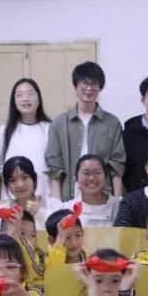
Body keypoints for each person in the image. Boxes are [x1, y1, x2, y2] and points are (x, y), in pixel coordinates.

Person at [46, 61, 126, 201]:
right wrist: (57, 203)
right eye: (84, 83)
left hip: (103, 194)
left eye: (94, 84)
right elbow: (55, 167)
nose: (89, 88)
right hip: (70, 195)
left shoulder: (112, 123)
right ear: (75, 86)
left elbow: (117, 165)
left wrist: (118, 200)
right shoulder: (58, 124)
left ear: (100, 87)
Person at [0, 78, 52, 200]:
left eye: (30, 94)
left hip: (43, 197)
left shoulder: (50, 128)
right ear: (14, 101)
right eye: (20, 95)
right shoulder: (4, 131)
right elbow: (1, 166)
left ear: (39, 99)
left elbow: (55, 167)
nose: (26, 99)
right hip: (13, 198)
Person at [0, 156, 62, 232]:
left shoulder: (53, 205)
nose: (20, 184)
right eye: (12, 180)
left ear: (34, 179)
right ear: (7, 185)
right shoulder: (3, 209)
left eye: (24, 177)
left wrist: (39, 213)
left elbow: (59, 232)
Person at [67, 154, 120, 227]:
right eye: (86, 173)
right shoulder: (67, 209)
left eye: (97, 173)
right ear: (76, 178)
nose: (91, 178)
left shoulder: (120, 207)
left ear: (106, 177)